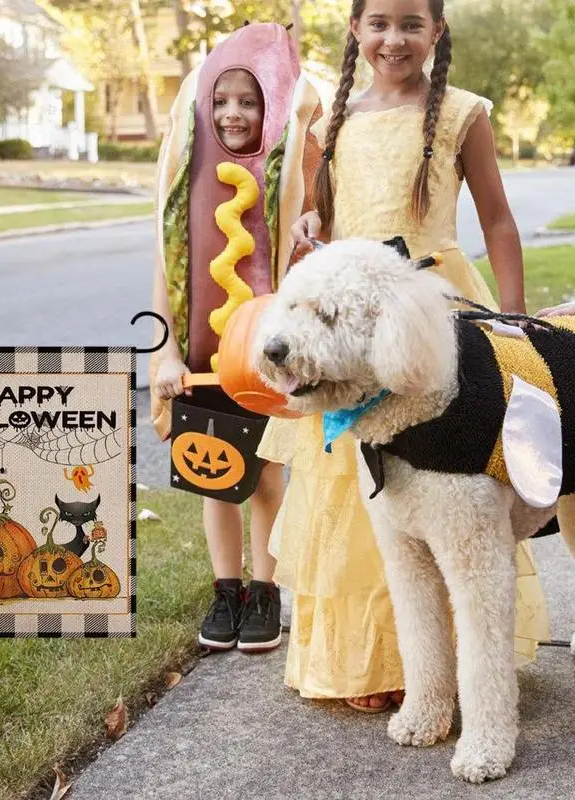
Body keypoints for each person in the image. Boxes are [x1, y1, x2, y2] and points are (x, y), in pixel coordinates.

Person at [258, 0, 550, 711]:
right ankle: (376, 667)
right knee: (357, 505)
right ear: (355, 30)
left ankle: (462, 663)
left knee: (454, 488)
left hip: (435, 311)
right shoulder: (327, 123)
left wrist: (513, 317)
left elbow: (499, 220)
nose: (395, 38)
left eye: (411, 23)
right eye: (379, 22)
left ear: (436, 32)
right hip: (349, 324)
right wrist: (312, 221)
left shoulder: (463, 114)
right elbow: (325, 215)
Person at [150, 23, 323, 654]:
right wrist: (166, 352)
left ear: (269, 107)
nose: (232, 113)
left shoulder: (285, 174)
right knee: (210, 473)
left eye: (249, 101)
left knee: (266, 475)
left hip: (262, 357)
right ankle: (227, 590)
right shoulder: (186, 177)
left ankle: (266, 589)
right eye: (220, 101)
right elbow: (164, 271)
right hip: (199, 356)